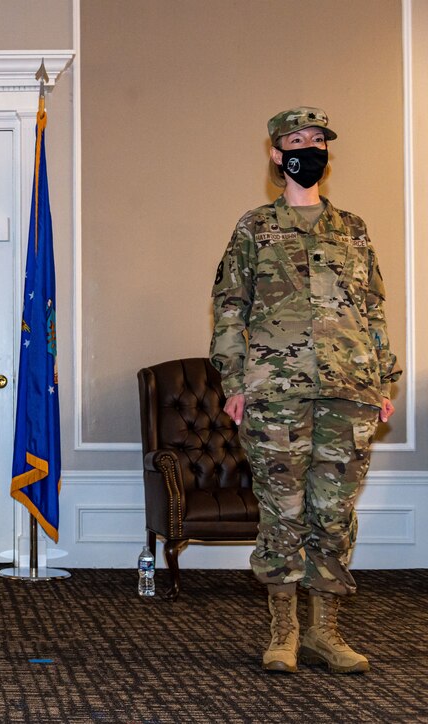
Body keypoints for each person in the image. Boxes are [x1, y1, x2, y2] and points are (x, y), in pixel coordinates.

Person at [210, 107, 400, 674]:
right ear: (276, 152)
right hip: (276, 392)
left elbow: (373, 309)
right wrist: (234, 380)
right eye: (298, 139)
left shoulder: (354, 229)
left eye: (318, 140)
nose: (309, 148)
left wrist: (384, 377)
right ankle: (284, 633)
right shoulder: (253, 228)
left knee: (334, 513)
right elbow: (228, 308)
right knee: (282, 511)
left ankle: (326, 633)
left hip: (350, 388)